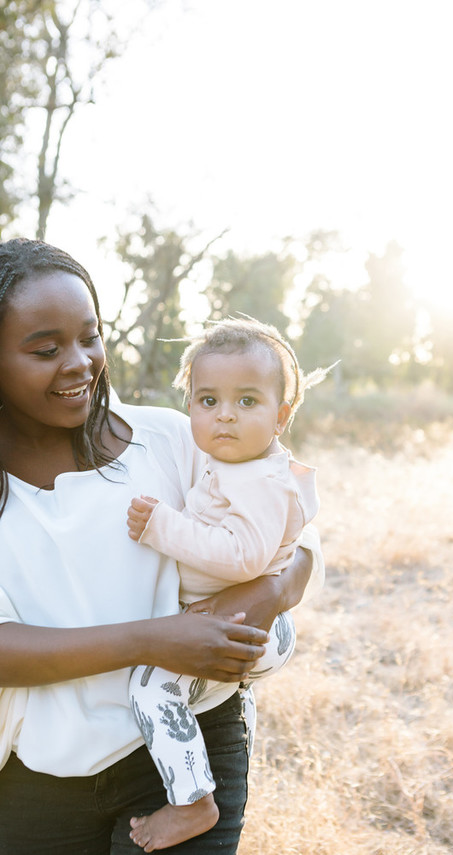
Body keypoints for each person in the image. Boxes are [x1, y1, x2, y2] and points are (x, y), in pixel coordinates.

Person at [0, 238, 324, 855]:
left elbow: (293, 531)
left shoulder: (171, 437)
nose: (79, 363)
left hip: (187, 750)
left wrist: (270, 593)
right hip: (37, 773)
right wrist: (151, 640)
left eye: (90, 338)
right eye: (45, 349)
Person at [126, 317, 328, 852]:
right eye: (208, 401)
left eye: (246, 402)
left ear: (282, 416)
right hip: (241, 620)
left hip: (250, 621)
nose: (225, 417)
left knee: (152, 686)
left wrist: (162, 526)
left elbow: (245, 557)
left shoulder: (260, 479)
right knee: (210, 691)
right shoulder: (233, 466)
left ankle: (192, 799)